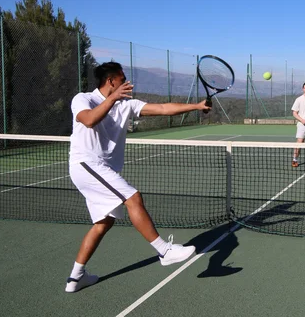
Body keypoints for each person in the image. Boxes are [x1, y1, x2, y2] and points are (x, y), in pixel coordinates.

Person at [65, 62, 211, 293]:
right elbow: (89, 120)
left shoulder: (127, 105)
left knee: (103, 223)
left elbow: (163, 108)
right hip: (86, 164)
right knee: (133, 197)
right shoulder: (83, 99)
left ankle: (76, 277)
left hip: (101, 169)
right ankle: (164, 251)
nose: (127, 83)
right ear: (111, 81)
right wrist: (112, 99)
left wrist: (196, 105)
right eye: (122, 79)